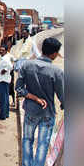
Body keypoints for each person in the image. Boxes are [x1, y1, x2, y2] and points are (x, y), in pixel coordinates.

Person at [16, 37, 64, 166]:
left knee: (27, 140)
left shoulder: (26, 65)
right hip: (47, 114)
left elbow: (19, 89)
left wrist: (34, 98)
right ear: (53, 54)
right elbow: (62, 96)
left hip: (30, 111)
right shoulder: (57, 72)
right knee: (43, 144)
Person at [0, 44, 13, 120]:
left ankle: (2, 115)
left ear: (6, 51)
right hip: (3, 80)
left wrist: (5, 70)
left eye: (2, 50)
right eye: (0, 50)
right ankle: (6, 114)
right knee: (5, 98)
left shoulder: (5, 59)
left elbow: (10, 66)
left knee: (2, 99)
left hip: (3, 80)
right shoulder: (3, 57)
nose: (1, 51)